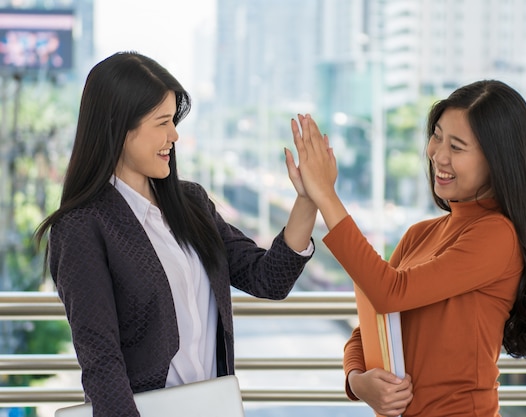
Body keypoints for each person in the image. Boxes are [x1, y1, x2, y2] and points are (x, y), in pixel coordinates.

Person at [35, 51, 318, 417]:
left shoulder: (192, 202)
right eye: (162, 122)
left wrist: (308, 199)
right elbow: (102, 362)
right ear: (119, 128)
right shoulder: (81, 228)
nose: (175, 135)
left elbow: (268, 279)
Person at [288, 80, 526, 417]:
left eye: (457, 147)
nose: (438, 155)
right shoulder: (420, 234)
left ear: (496, 161)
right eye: (437, 135)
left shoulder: (497, 235)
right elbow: (371, 325)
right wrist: (357, 381)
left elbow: (389, 292)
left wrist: (325, 196)